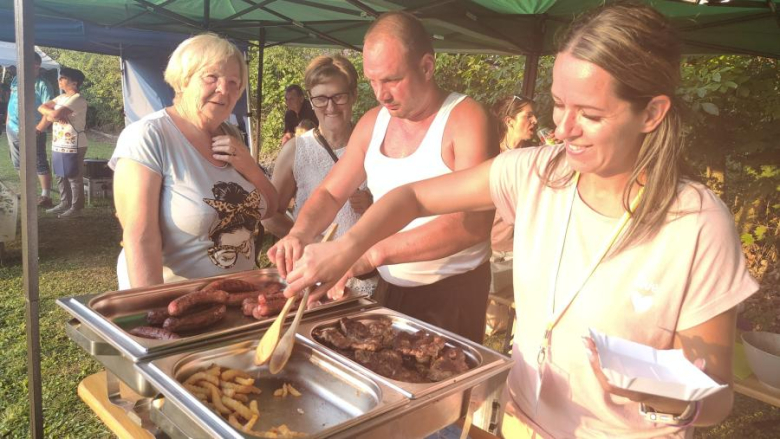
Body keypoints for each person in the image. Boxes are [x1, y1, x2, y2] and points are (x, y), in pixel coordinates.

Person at [280, 4, 758, 437]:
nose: (564, 128)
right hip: (520, 422)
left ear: (651, 112)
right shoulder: (536, 173)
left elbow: (715, 396)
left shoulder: (695, 223)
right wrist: (346, 247)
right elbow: (410, 197)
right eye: (559, 104)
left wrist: (659, 393)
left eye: (588, 113)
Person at [268, 11, 496, 343]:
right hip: (390, 287)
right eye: (373, 81)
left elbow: (471, 224)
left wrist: (367, 253)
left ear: (427, 67)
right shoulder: (373, 122)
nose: (381, 94)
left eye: (391, 80)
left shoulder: (465, 119)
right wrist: (299, 235)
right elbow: (331, 192)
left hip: (452, 292)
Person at [110, 33, 278, 289]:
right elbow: (140, 238)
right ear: (183, 80)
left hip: (237, 298)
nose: (224, 89)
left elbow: (271, 207)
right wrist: (151, 309)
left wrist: (249, 166)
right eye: (211, 77)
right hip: (177, 301)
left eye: (234, 82)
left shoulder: (231, 135)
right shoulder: (149, 135)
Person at [262, 54, 376, 295]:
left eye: (339, 97)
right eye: (321, 99)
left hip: (368, 279)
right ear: (311, 102)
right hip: (314, 277)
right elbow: (269, 216)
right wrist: (311, 242)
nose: (331, 107)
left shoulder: (376, 145)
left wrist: (372, 204)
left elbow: (403, 207)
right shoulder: (296, 150)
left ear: (353, 95)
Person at [485, 95, 538, 336]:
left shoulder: (532, 158)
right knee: (493, 327)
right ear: (509, 121)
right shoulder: (490, 157)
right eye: (528, 116)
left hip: (521, 247)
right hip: (492, 246)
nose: (535, 121)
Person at [5, 53, 54, 207]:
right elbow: (12, 102)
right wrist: (7, 121)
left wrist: (39, 129)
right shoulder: (16, 81)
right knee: (18, 162)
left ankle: (45, 195)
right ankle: (28, 193)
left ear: (36, 66)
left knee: (39, 161)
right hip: (12, 128)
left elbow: (49, 109)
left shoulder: (43, 84)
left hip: (34, 129)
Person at [38, 67, 88, 218]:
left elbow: (54, 113)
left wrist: (53, 115)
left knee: (73, 175)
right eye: (60, 78)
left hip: (74, 143)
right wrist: (52, 115)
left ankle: (76, 207)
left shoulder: (77, 99)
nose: (59, 80)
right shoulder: (60, 98)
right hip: (58, 142)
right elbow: (42, 107)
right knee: (60, 174)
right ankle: (64, 202)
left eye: (63, 78)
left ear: (74, 83)